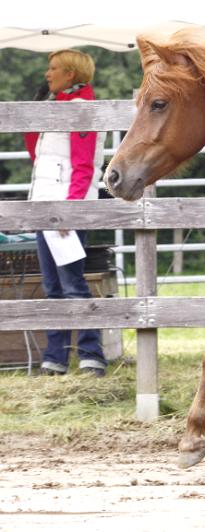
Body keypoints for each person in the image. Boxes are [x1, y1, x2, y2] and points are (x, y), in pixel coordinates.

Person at [24, 49, 108, 377]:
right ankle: (56, 356)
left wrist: (70, 208)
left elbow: (85, 164)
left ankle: (91, 354)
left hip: (64, 206)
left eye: (53, 68)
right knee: (52, 285)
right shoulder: (57, 106)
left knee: (72, 283)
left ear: (70, 74)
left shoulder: (82, 109)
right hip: (46, 202)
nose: (47, 73)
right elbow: (38, 154)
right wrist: (35, 115)